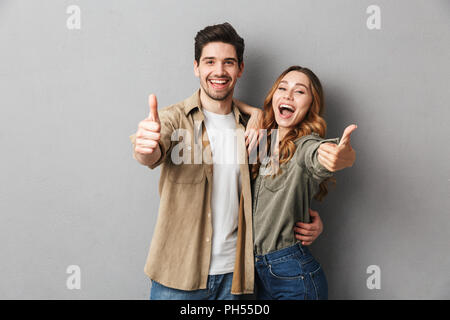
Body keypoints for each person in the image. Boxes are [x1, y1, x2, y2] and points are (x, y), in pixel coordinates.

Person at [130, 23, 351, 300]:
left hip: (239, 280)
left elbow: (279, 188)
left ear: (240, 69)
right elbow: (149, 152)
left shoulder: (257, 129)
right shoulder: (174, 119)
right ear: (196, 67)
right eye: (210, 62)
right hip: (178, 278)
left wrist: (307, 219)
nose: (219, 71)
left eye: (229, 63)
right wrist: (145, 148)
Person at [247, 65, 356, 300]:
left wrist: (341, 156)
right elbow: (220, 101)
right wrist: (254, 112)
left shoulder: (306, 146)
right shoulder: (262, 142)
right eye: (282, 88)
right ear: (273, 96)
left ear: (310, 105)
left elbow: (324, 155)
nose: (287, 95)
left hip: (294, 277)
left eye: (299, 91)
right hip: (258, 275)